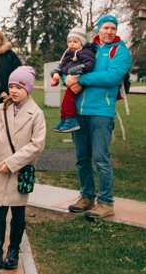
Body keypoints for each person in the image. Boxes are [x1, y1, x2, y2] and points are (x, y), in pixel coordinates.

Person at [65, 14, 132, 220]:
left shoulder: (120, 52)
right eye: (105, 28)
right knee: (81, 159)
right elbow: (68, 72)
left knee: (101, 159)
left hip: (102, 112)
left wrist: (80, 78)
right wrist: (68, 77)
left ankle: (106, 202)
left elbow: (111, 77)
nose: (109, 32)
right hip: (80, 112)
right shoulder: (88, 49)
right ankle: (87, 196)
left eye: (113, 28)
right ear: (98, 30)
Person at [0, 66, 46, 270]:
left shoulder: (36, 113)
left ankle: (13, 251)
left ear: (28, 88)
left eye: (19, 86)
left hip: (20, 170)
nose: (14, 90)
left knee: (18, 213)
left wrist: (11, 163)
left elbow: (37, 144)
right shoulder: (3, 109)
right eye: (11, 86)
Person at [49, 27, 96, 133]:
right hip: (70, 79)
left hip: (80, 78)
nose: (71, 44)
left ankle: (71, 120)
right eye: (69, 41)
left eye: (75, 41)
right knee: (65, 102)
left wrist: (78, 70)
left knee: (68, 101)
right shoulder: (69, 53)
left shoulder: (85, 52)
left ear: (82, 42)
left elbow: (90, 64)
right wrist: (56, 72)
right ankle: (64, 119)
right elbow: (62, 65)